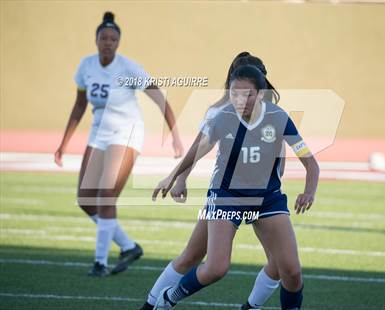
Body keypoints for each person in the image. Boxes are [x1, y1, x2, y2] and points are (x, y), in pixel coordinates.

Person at [151, 64, 319, 310]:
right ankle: (169, 297)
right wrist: (173, 176)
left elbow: (312, 164)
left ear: (260, 93)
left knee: (292, 272)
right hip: (226, 197)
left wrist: (309, 191)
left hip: (267, 199)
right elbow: (196, 152)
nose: (240, 99)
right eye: (234, 93)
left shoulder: (279, 117)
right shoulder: (222, 118)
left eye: (247, 94)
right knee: (216, 268)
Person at [54, 12, 183, 277]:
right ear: (96, 39)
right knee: (85, 199)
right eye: (104, 37)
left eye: (113, 38)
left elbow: (160, 99)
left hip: (126, 132)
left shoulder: (128, 68)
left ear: (119, 42)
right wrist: (63, 144)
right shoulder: (86, 65)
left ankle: (100, 263)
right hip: (98, 132)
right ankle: (128, 246)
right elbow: (79, 105)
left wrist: (175, 136)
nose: (108, 42)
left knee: (105, 194)